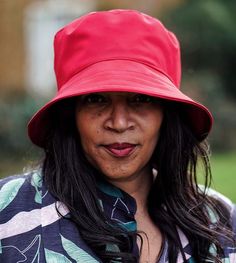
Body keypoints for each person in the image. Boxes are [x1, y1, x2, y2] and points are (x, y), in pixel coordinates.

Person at [0, 9, 235, 263]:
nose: (119, 123)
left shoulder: (219, 218)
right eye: (96, 99)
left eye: (140, 99)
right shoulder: (8, 214)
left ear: (166, 114)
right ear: (71, 114)